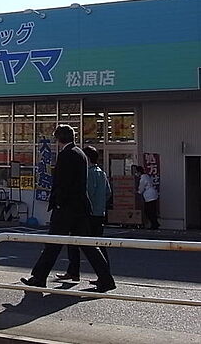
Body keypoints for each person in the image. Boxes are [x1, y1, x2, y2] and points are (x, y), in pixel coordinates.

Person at [21, 125, 116, 292]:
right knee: (88, 244)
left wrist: (58, 202)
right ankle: (106, 279)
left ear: (59, 139)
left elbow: (63, 182)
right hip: (80, 207)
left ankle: (39, 277)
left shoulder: (66, 154)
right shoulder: (80, 153)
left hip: (66, 208)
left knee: (53, 243)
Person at [56, 145, 112, 281]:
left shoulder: (89, 173)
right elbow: (108, 192)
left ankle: (76, 272)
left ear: (86, 158)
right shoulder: (101, 173)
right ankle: (104, 274)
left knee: (76, 242)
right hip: (100, 213)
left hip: (88, 214)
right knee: (98, 244)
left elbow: (87, 193)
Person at [135, 165, 160, 229]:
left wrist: (136, 192)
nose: (136, 174)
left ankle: (154, 224)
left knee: (148, 211)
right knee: (152, 210)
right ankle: (155, 223)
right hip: (152, 195)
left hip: (150, 196)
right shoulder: (146, 176)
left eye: (136, 172)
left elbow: (141, 189)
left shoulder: (143, 178)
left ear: (139, 172)